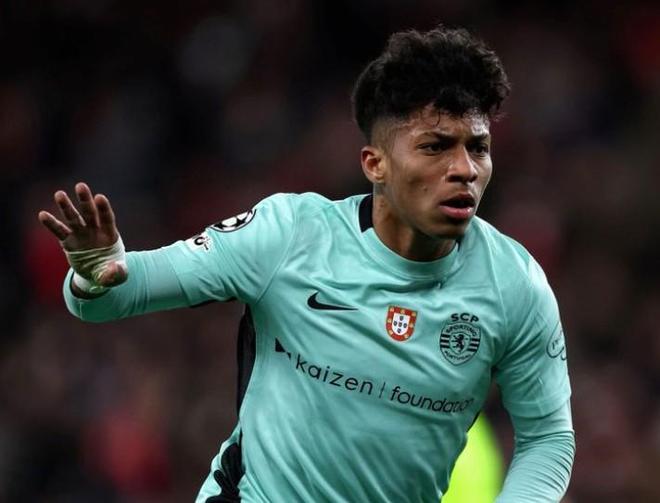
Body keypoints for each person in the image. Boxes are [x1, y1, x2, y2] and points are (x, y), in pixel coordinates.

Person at [39, 26, 575, 502]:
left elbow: (548, 437)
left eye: (477, 148)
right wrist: (95, 273)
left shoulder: (515, 285)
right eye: (436, 147)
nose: (464, 169)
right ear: (376, 164)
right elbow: (117, 295)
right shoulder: (290, 235)